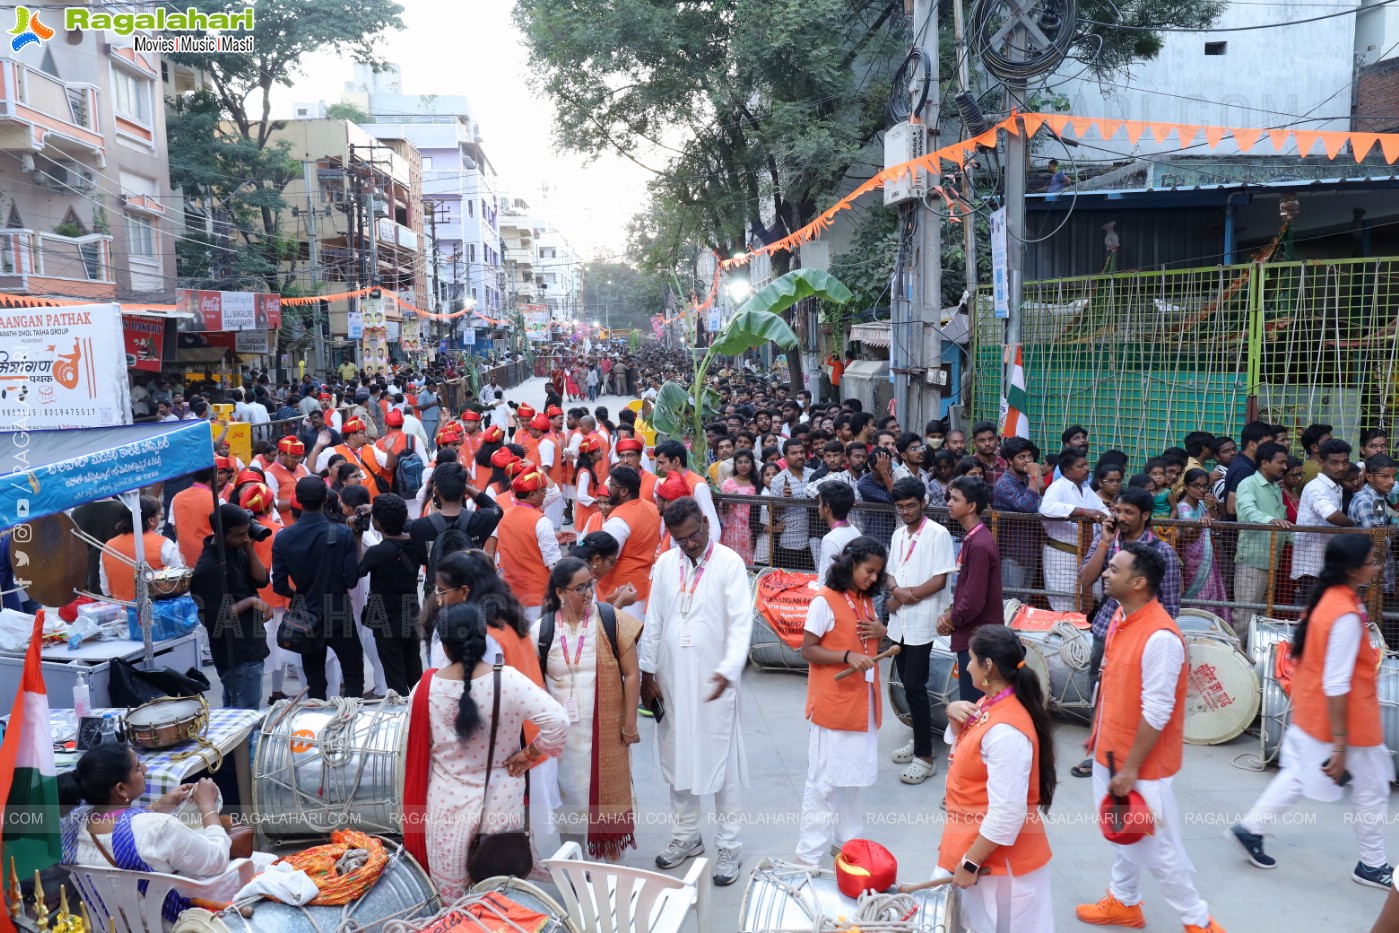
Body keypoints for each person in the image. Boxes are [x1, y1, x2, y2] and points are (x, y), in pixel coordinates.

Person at [1074, 543, 1226, 933]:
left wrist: (1130, 769)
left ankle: (1197, 921)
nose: (1105, 573)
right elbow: (1111, 690)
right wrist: (1097, 740)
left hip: (1136, 763)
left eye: (1114, 568)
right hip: (1111, 753)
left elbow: (1156, 712)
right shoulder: (1122, 621)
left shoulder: (1160, 637)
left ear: (1138, 582)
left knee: (1155, 847)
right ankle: (1124, 901)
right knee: (1125, 834)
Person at [1229, 534, 1394, 889]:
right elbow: (1337, 682)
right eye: (1371, 560)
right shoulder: (1344, 613)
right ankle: (1372, 864)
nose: (1375, 565)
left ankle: (1251, 828)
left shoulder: (1328, 600)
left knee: (1298, 775)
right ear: (1352, 570)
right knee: (1373, 788)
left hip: (1313, 711)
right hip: (1346, 719)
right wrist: (1339, 745)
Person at [411, 603, 568, 899]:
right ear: (484, 638)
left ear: (444, 647)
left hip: (447, 807)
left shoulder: (426, 688)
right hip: (501, 800)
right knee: (499, 895)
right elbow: (558, 722)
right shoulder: (508, 680)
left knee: (452, 899)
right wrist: (529, 755)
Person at [639, 497, 752, 887]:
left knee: (721, 766)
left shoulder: (729, 563)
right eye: (680, 539)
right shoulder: (666, 564)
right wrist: (646, 673)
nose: (688, 544)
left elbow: (740, 623)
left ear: (706, 522)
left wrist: (728, 669)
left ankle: (730, 845)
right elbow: (654, 621)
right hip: (671, 682)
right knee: (677, 761)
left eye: (694, 535)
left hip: (713, 684)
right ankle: (686, 837)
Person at [939, 625, 1056, 933]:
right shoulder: (988, 704)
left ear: (988, 666)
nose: (966, 665)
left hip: (998, 867)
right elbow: (965, 752)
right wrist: (953, 714)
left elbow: (1007, 813)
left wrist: (969, 864)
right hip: (977, 851)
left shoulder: (1007, 730)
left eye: (971, 659)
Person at [58, 745, 273, 909]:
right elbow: (216, 859)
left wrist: (159, 806)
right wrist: (207, 804)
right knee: (271, 864)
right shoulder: (159, 828)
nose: (145, 768)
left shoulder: (73, 822)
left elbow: (127, 829)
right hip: (170, 917)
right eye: (137, 767)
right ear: (121, 788)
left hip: (116, 920)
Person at [535, 558, 643, 859]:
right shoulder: (541, 631)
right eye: (580, 588)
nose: (588, 593)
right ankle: (576, 867)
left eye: (590, 585)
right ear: (560, 592)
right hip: (563, 742)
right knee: (570, 802)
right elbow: (533, 686)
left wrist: (630, 723)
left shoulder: (611, 619)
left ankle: (611, 872)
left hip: (607, 733)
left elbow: (632, 673)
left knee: (607, 802)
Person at [794, 536, 888, 866]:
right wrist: (846, 656)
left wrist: (881, 631)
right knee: (824, 784)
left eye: (878, 573)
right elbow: (807, 649)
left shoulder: (864, 600)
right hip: (835, 707)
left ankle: (846, 840)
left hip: (863, 706)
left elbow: (873, 641)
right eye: (869, 571)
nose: (874, 578)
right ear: (850, 564)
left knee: (852, 781)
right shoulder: (825, 600)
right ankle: (808, 856)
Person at [885, 476, 956, 784]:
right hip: (900, 619)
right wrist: (898, 592)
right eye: (900, 507)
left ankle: (925, 757)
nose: (906, 511)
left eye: (911, 506)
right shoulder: (899, 533)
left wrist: (907, 595)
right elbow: (890, 574)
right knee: (906, 684)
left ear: (923, 503)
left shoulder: (938, 534)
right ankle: (920, 737)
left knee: (915, 685)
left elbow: (940, 579)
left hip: (923, 619)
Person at [271, 477, 364, 700]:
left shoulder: (283, 538)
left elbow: (280, 585)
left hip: (305, 613)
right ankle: (350, 720)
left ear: (298, 501)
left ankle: (318, 725)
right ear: (325, 499)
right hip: (339, 610)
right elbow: (351, 580)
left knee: (314, 681)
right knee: (353, 675)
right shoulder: (342, 533)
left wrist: (300, 595)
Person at [189, 504, 270, 710]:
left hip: (251, 646)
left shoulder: (237, 550)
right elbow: (214, 618)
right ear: (220, 533)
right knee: (246, 721)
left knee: (236, 716)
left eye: (246, 532)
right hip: (236, 653)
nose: (245, 538)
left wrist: (249, 547)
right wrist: (251, 602)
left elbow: (261, 580)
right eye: (239, 535)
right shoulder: (208, 568)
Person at [937, 476, 1003, 697]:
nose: (949, 503)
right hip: (975, 633)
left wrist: (950, 619)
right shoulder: (974, 539)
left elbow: (973, 602)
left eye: (955, 499)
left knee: (975, 703)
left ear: (972, 506)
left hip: (977, 638)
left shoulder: (980, 544)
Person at [357, 493, 423, 696]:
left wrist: (357, 535)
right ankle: (420, 712)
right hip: (412, 616)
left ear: (377, 523)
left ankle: (404, 720)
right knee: (415, 674)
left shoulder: (377, 552)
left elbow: (357, 572)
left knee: (396, 679)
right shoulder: (416, 543)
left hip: (387, 622)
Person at [409, 461, 503, 602]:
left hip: (437, 597)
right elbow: (495, 508)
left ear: (436, 490)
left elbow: (423, 558)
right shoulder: (479, 520)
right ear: (464, 491)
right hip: (471, 594)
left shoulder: (420, 527)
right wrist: (467, 489)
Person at [1039, 448, 1109, 611]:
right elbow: (1046, 507)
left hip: (1087, 555)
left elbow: (1101, 510)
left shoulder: (1086, 488)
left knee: (1090, 599)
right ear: (1068, 470)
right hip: (1061, 555)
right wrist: (1083, 512)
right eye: (1081, 466)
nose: (1087, 469)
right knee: (1065, 602)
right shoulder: (1057, 488)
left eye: (1086, 464)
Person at [1234, 442, 1292, 621]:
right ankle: (1238, 649)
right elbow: (1247, 512)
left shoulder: (1275, 487)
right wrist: (1270, 521)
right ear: (1265, 463)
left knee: (1263, 617)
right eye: (1280, 462)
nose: (1285, 467)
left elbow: (1283, 523)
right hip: (1252, 562)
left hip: (1272, 562)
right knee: (1244, 615)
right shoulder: (1248, 484)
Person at [493, 468, 561, 620]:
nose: (545, 494)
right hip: (536, 594)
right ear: (532, 495)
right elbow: (554, 564)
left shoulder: (503, 517)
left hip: (511, 591)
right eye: (543, 490)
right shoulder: (541, 521)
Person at [1293, 437, 1356, 600]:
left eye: (1345, 462)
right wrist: (1356, 527)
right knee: (1314, 614)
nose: (1341, 467)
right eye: (1334, 463)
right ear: (1322, 463)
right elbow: (1332, 515)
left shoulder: (1336, 487)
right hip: (1312, 564)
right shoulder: (1316, 487)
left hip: (1327, 561)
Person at [598, 466, 662, 616]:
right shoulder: (653, 508)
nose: (609, 490)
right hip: (644, 586)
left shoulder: (618, 520)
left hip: (622, 593)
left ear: (624, 491)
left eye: (612, 486)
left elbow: (605, 560)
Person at [100, 496, 182, 602]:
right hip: (156, 612)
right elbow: (179, 584)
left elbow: (105, 590)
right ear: (151, 520)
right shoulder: (164, 544)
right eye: (159, 514)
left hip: (122, 612)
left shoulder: (108, 546)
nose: (161, 516)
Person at [1176, 467, 1229, 624]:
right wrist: (1200, 523)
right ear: (1186, 486)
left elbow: (1216, 525)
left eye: (1205, 486)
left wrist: (1212, 507)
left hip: (1207, 557)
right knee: (1199, 596)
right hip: (1191, 560)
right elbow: (1189, 532)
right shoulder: (1183, 507)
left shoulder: (1201, 504)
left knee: (1211, 593)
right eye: (1196, 485)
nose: (1201, 490)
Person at [991, 437, 1043, 592]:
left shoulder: (1028, 480)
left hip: (1030, 553)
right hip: (1012, 555)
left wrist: (1033, 479)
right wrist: (1035, 477)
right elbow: (1026, 506)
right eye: (1021, 457)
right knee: (1009, 604)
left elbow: (1038, 505)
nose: (1027, 461)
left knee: (1023, 604)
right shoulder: (1004, 483)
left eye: (1030, 457)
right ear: (1010, 460)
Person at [1348, 454, 1396, 596]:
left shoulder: (1377, 498)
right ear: (1369, 477)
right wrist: (1390, 531)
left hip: (1377, 578)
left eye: (1394, 476)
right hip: (1368, 582)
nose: (1392, 481)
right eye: (1385, 477)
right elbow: (1379, 540)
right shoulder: (1366, 502)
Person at [653, 440, 723, 533]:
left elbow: (713, 526)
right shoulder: (667, 482)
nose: (659, 468)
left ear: (676, 461)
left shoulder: (698, 486)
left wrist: (709, 548)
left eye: (662, 463)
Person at [814, 481, 860, 586]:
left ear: (827, 507)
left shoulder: (830, 539)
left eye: (820, 503)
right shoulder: (854, 530)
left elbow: (827, 580)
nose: (819, 507)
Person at [171, 467, 218, 569]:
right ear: (215, 475)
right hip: (209, 559)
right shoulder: (216, 500)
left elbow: (175, 529)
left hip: (184, 559)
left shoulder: (176, 498)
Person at [719, 448, 759, 564]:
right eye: (740, 462)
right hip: (732, 529)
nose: (743, 465)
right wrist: (727, 500)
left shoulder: (756, 483)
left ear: (752, 463)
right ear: (735, 464)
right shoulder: (728, 484)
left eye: (747, 462)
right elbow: (723, 511)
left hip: (751, 528)